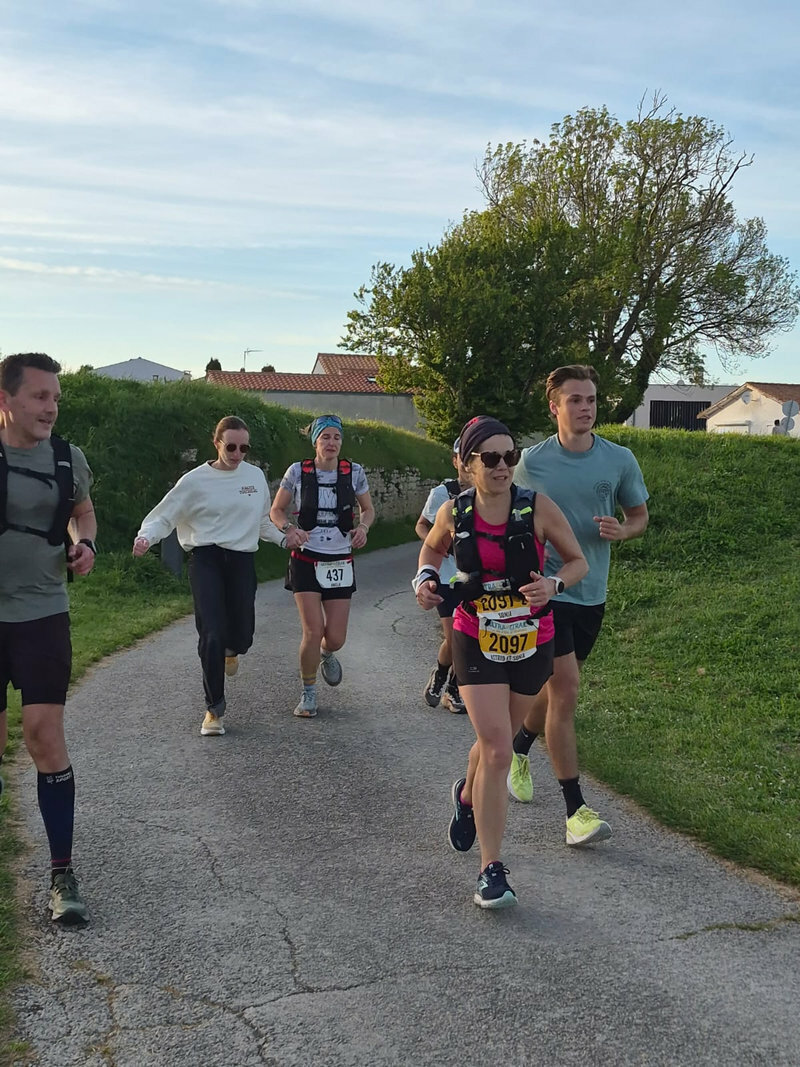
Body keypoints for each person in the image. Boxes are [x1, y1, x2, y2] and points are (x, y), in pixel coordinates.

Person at [415, 416, 587, 908]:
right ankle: (491, 871)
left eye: (510, 456)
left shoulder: (538, 507)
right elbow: (432, 548)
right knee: (497, 750)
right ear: (468, 464)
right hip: (475, 634)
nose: (502, 466)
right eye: (490, 458)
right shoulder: (455, 510)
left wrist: (553, 584)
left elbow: (576, 561)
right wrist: (424, 578)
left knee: (494, 743)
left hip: (532, 639)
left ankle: (467, 797)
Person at [507, 364, 649, 846]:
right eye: (575, 400)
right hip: (545, 590)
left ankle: (519, 746)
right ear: (555, 407)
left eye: (591, 399)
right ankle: (575, 812)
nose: (586, 408)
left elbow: (639, 516)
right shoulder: (531, 463)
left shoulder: (619, 459)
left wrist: (622, 530)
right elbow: (504, 509)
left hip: (591, 591)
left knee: (554, 691)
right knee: (566, 689)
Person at [0, 352, 97, 925]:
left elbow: (83, 512)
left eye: (55, 398)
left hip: (42, 612)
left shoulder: (66, 457)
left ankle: (62, 873)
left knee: (43, 736)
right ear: (5, 400)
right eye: (39, 396)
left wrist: (85, 543)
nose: (51, 407)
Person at [133, 416, 299, 736]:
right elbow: (165, 515)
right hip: (206, 558)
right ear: (217, 443)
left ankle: (232, 649)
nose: (238, 454)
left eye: (244, 448)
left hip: (241, 559)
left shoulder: (254, 477)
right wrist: (146, 537)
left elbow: (262, 522)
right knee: (211, 632)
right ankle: (214, 709)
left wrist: (283, 539)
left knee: (242, 633)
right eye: (231, 447)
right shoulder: (194, 481)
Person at [270, 414, 375, 719]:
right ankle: (308, 692)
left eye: (336, 437)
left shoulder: (354, 472)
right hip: (306, 557)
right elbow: (276, 510)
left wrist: (363, 528)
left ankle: (327, 654)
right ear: (315, 442)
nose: (331, 443)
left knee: (336, 637)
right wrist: (289, 529)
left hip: (340, 559)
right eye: (325, 437)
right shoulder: (297, 471)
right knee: (313, 630)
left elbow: (368, 509)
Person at [414, 438, 470, 713]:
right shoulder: (442, 494)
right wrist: (440, 545)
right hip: (447, 575)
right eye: (462, 457)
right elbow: (421, 526)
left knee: (469, 636)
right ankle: (445, 679)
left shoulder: (494, 495)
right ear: (455, 461)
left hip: (473, 577)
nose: (468, 464)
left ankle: (451, 685)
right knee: (456, 636)